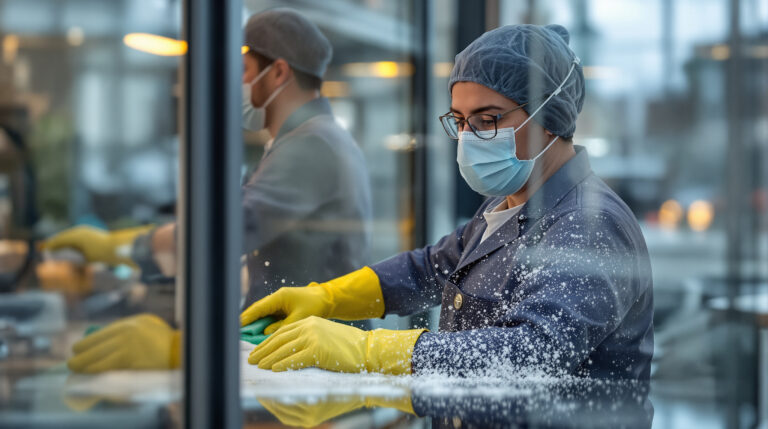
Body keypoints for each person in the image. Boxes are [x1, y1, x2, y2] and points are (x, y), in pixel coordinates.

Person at [241, 24, 653, 379]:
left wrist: (367, 350)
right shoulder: (506, 204)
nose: (469, 137)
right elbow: (430, 269)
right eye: (459, 121)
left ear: (551, 118)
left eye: (487, 120)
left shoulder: (589, 223)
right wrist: (328, 297)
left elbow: (530, 354)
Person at [51, 9, 374, 373]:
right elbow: (261, 252)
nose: (239, 81)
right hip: (301, 354)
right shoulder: (307, 139)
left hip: (311, 362)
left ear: (279, 72)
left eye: (246, 70)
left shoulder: (311, 144)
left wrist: (121, 248)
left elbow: (224, 234)